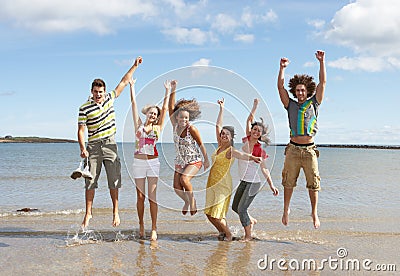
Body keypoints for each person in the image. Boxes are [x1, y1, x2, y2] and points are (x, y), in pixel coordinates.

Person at [77, 56, 142, 229]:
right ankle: (88, 212)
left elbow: (123, 82)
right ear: (91, 91)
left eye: (101, 92)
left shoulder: (109, 98)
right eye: (96, 91)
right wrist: (83, 148)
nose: (99, 94)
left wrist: (134, 66)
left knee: (114, 180)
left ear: (104, 92)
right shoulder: (84, 108)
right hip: (93, 146)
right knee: (90, 180)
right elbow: (81, 130)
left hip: (110, 144)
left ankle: (115, 211)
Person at [277, 50, 326, 229]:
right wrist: (281, 68)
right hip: (293, 149)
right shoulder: (289, 105)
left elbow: (323, 82)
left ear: (307, 90)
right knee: (288, 181)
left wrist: (321, 62)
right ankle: (286, 209)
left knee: (313, 182)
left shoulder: (314, 103)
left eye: (303, 90)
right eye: (297, 90)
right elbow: (280, 88)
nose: (300, 93)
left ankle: (314, 212)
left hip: (310, 150)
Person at [204, 98, 263, 241]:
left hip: (223, 185)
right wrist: (221, 109)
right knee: (208, 213)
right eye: (222, 134)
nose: (223, 135)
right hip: (212, 182)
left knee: (217, 214)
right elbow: (217, 126)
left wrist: (252, 157)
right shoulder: (219, 146)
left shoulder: (231, 150)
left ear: (231, 138)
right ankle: (222, 232)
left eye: (226, 134)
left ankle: (229, 234)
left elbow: (242, 155)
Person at [232, 98, 279, 241]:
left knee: (242, 209)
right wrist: (254, 106)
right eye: (254, 129)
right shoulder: (246, 139)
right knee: (235, 207)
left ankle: (248, 236)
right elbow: (249, 119)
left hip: (253, 183)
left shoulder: (259, 149)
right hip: (243, 181)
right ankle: (251, 220)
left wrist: (271, 185)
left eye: (259, 131)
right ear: (251, 130)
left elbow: (264, 169)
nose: (256, 132)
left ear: (261, 134)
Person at [129, 78, 170, 241]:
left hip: (153, 163)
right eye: (151, 112)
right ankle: (141, 224)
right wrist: (132, 87)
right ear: (146, 113)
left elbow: (165, 108)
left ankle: (154, 228)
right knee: (140, 197)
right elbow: (133, 104)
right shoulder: (138, 125)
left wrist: (167, 91)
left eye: (155, 114)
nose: (153, 115)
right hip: (138, 163)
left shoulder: (158, 128)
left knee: (152, 197)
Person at [168, 80, 210, 216]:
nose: (183, 120)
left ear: (189, 117)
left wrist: (206, 159)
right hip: (180, 161)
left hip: (194, 160)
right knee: (177, 187)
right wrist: (173, 89)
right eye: (181, 117)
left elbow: (201, 144)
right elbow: (170, 107)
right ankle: (186, 201)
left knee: (184, 180)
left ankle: (192, 200)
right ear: (177, 116)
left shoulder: (191, 128)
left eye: (186, 118)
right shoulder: (175, 125)